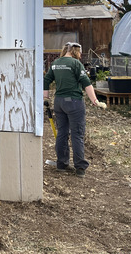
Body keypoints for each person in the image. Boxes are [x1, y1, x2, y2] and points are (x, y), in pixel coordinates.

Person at [43, 42, 101, 178]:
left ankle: (61, 164)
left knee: (62, 132)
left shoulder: (56, 63)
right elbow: (86, 83)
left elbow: (46, 80)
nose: (80, 55)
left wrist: (45, 97)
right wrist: (94, 100)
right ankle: (80, 167)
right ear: (76, 51)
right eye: (80, 52)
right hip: (74, 102)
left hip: (59, 102)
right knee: (77, 134)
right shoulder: (75, 64)